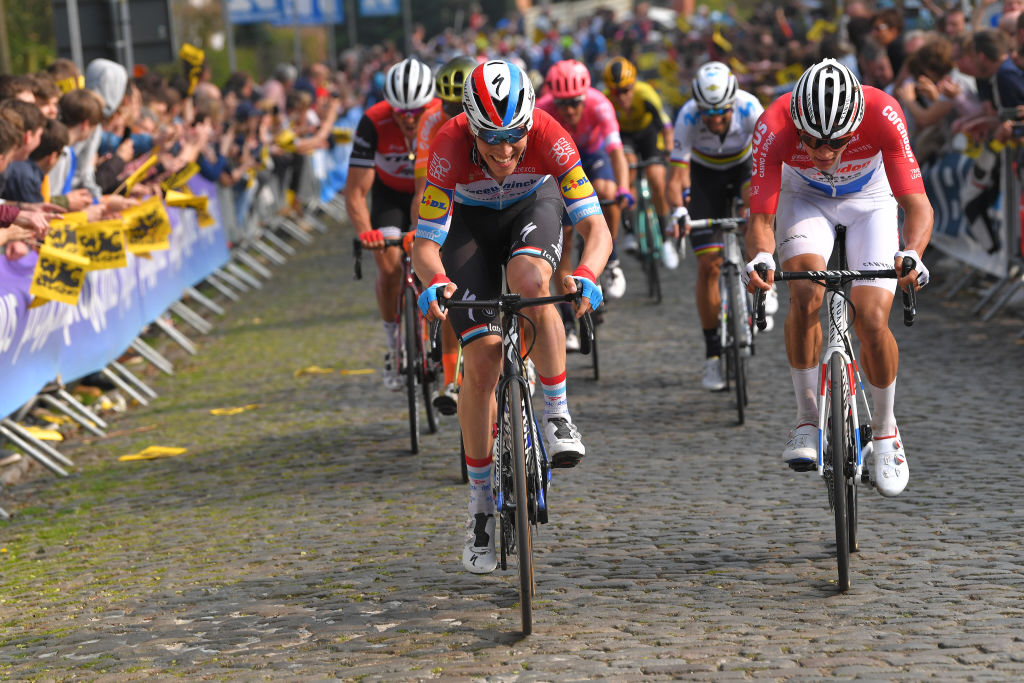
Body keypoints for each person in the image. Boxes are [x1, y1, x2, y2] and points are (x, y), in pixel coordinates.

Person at [412, 60, 612, 574]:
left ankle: (557, 415)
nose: (504, 152)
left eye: (514, 138)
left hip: (531, 208)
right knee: (482, 357)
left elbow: (597, 228)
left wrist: (589, 271)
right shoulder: (449, 146)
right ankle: (480, 506)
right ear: (471, 128)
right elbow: (426, 245)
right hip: (469, 225)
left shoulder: (549, 132)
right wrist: (434, 281)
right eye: (491, 140)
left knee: (533, 285)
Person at [744, 58, 933, 498]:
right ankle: (807, 417)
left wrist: (911, 254)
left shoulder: (884, 112)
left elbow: (918, 205)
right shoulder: (772, 124)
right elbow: (761, 217)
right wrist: (759, 258)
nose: (825, 153)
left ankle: (886, 430)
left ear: (857, 124)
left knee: (870, 319)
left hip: (871, 199)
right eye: (812, 141)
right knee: (806, 291)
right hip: (805, 198)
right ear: (796, 123)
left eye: (839, 142)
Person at [665, 61, 768, 391]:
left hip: (744, 169)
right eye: (708, 112)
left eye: (722, 111)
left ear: (733, 103)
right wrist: (678, 210)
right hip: (704, 175)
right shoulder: (688, 116)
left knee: (756, 206)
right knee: (709, 265)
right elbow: (677, 174)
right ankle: (712, 356)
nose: (714, 119)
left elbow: (770, 165)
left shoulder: (752, 108)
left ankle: (764, 267)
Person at [345, 57, 440, 390]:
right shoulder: (373, 121)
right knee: (389, 269)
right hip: (389, 197)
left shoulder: (442, 115)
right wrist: (365, 234)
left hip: (432, 193)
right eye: (401, 114)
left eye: (417, 113)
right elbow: (355, 192)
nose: (410, 121)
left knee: (438, 262)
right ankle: (392, 345)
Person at [411, 55, 478, 416]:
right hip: (450, 201)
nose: (454, 111)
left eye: (460, 104)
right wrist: (420, 233)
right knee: (450, 289)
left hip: (490, 200)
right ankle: (451, 378)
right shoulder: (431, 121)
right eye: (448, 103)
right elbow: (423, 186)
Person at [537, 59, 631, 311]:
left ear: (584, 97)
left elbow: (615, 150)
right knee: (562, 243)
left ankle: (610, 259)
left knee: (608, 191)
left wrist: (623, 187)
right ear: (553, 99)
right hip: (561, 165)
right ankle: (567, 318)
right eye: (562, 103)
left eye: (574, 102)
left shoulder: (600, 103)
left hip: (592, 155)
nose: (568, 110)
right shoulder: (541, 109)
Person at [601, 56, 677, 267]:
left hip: (648, 134)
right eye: (616, 92)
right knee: (628, 175)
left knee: (656, 179)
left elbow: (665, 124)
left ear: (633, 85)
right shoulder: (606, 100)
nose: (622, 96)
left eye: (626, 90)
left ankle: (666, 237)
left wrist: (669, 148)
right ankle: (631, 231)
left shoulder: (645, 93)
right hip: (625, 137)